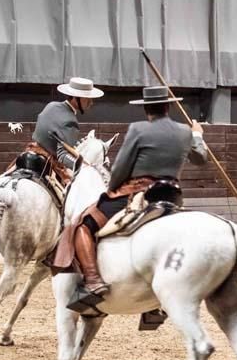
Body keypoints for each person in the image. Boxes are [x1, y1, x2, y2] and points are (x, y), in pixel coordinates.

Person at [69, 85, 207, 327]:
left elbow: (121, 167)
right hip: (171, 198)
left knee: (84, 224)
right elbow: (201, 158)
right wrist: (197, 135)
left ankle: (92, 281)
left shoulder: (138, 129)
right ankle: (156, 306)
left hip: (135, 194)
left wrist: (111, 188)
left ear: (146, 109)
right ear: (168, 106)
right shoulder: (185, 131)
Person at [25, 77, 103, 185]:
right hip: (49, 162)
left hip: (32, 151)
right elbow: (62, 156)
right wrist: (83, 166)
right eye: (87, 98)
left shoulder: (51, 105)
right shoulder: (71, 121)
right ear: (76, 98)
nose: (91, 102)